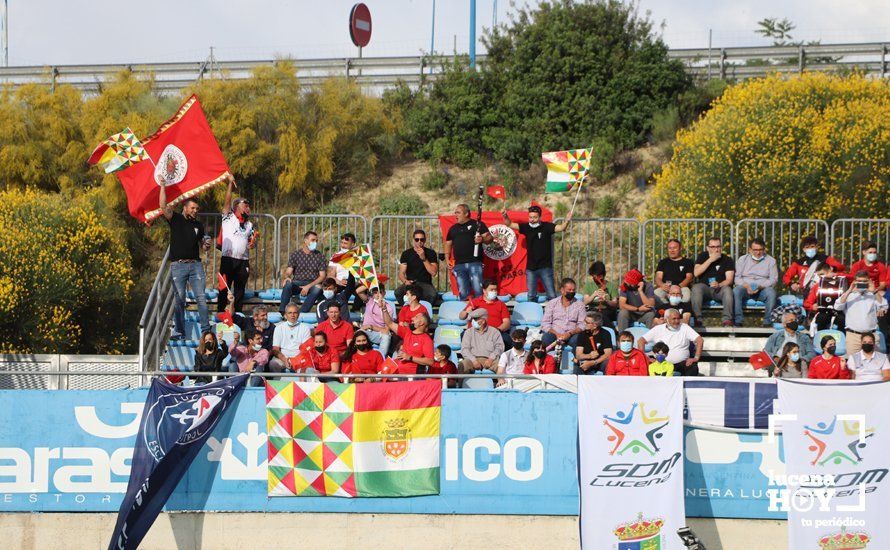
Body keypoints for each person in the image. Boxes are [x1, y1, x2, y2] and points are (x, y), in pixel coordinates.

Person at [502, 205, 571, 301]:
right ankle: (532, 313)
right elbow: (509, 224)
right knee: (531, 295)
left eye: (535, 217)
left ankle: (555, 314)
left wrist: (567, 220)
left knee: (551, 295)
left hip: (545, 267)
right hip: (531, 268)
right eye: (530, 217)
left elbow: (561, 228)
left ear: (540, 217)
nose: (532, 219)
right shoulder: (526, 227)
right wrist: (505, 216)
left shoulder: (547, 226)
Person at [217, 176, 256, 313]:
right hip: (228, 259)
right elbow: (227, 202)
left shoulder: (250, 224)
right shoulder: (229, 217)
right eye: (245, 205)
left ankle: (237, 314)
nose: (248, 208)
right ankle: (221, 313)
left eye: (248, 205)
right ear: (237, 207)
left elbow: (252, 242)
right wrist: (229, 184)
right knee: (224, 288)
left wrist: (252, 245)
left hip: (243, 261)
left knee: (240, 290)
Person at [444, 203, 493, 300]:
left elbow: (490, 238)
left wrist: (482, 240)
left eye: (458, 212)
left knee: (478, 290)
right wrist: (447, 259)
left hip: (474, 263)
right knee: (463, 292)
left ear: (466, 213)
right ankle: (466, 313)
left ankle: (479, 313)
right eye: (455, 213)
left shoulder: (478, 225)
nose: (456, 215)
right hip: (459, 265)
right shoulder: (453, 229)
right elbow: (448, 244)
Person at [378, 293, 434, 374]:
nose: (412, 318)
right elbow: (390, 323)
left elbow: (430, 361)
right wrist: (384, 309)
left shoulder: (426, 339)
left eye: (416, 317)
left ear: (421, 323)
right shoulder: (407, 332)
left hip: (412, 377)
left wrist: (410, 358)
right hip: (396, 372)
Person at [834, 271, 888, 356]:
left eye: (864, 281)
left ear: (869, 281)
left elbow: (884, 305)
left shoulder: (873, 295)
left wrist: (874, 291)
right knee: (853, 365)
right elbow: (837, 306)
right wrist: (850, 290)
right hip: (853, 336)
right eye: (859, 281)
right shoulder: (849, 295)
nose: (862, 283)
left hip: (871, 335)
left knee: (873, 364)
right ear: (854, 281)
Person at [637, 309, 703, 376]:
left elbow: (700, 340)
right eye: (674, 319)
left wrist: (696, 358)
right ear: (666, 320)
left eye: (678, 318)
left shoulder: (685, 327)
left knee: (693, 367)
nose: (677, 321)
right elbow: (641, 341)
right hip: (660, 363)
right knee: (646, 366)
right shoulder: (658, 329)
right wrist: (646, 358)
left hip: (681, 364)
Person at [733, 238, 778, 327]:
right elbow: (737, 278)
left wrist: (761, 287)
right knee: (736, 291)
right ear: (750, 250)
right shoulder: (742, 259)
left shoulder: (771, 261)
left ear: (764, 249)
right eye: (755, 250)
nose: (758, 253)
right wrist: (746, 286)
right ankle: (738, 321)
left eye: (760, 250)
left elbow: (773, 279)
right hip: (745, 288)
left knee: (771, 293)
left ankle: (767, 322)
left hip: (762, 289)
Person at [691, 237, 735, 327]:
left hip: (720, 289)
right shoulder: (702, 256)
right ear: (708, 248)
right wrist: (710, 260)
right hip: (705, 288)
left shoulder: (727, 259)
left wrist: (719, 284)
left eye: (718, 246)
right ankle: (697, 319)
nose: (716, 249)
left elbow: (729, 280)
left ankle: (727, 320)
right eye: (713, 247)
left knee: (728, 290)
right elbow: (696, 273)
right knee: (696, 288)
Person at [280, 231, 326, 315]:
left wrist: (308, 286)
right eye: (313, 240)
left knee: (318, 288)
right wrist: (287, 277)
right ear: (305, 240)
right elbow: (288, 271)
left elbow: (322, 276)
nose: (315, 243)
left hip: (312, 283)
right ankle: (283, 312)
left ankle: (301, 313)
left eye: (316, 241)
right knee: (287, 284)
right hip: (297, 282)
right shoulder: (295, 254)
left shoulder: (320, 256)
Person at [459, 279, 512, 348]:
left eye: (495, 290)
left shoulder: (501, 304)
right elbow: (461, 316)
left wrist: (497, 330)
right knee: (464, 335)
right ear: (484, 291)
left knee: (506, 339)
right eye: (491, 290)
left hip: (494, 333)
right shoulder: (475, 302)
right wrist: (466, 312)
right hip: (476, 332)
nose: (494, 292)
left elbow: (506, 323)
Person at [394, 229, 440, 306]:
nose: (419, 241)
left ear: (425, 240)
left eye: (422, 239)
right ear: (413, 240)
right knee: (398, 293)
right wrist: (406, 281)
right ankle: (407, 310)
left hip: (425, 283)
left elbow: (433, 272)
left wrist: (424, 259)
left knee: (432, 295)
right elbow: (401, 273)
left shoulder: (431, 253)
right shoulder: (406, 254)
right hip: (411, 283)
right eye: (417, 239)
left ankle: (424, 312)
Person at [541, 278, 586, 353]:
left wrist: (570, 333)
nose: (572, 292)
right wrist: (557, 334)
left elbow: (582, 324)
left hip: (572, 335)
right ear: (562, 290)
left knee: (579, 339)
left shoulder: (580, 305)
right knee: (546, 338)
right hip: (555, 334)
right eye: (569, 290)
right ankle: (547, 362)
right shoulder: (552, 303)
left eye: (573, 290)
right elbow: (545, 323)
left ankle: (577, 363)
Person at [803, 261, 847, 332]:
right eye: (819, 275)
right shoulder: (817, 286)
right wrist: (812, 306)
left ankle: (841, 339)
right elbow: (806, 303)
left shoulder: (841, 282)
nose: (821, 277)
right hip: (824, 311)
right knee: (821, 318)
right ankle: (822, 338)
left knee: (842, 320)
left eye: (822, 274)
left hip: (839, 312)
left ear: (829, 271)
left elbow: (852, 276)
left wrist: (835, 274)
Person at [269, 304, 313, 373]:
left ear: (298, 314)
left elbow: (305, 350)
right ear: (285, 315)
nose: (292, 315)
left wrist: (294, 360)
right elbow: (275, 349)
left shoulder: (305, 328)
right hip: (283, 358)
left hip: (299, 358)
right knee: (273, 364)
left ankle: (300, 383)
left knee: (307, 368)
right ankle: (277, 382)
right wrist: (284, 359)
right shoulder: (279, 328)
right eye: (290, 313)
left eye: (295, 313)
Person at [459, 308, 505, 373]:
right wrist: (474, 361)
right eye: (472, 319)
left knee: (501, 366)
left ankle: (501, 382)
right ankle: (461, 383)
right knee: (463, 365)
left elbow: (499, 347)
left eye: (475, 319)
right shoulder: (468, 332)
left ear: (483, 321)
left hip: (490, 360)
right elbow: (465, 349)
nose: (473, 321)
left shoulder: (494, 332)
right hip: (472, 360)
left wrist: (491, 359)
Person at [328, 232, 368, 307]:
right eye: (342, 243)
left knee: (358, 285)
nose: (343, 245)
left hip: (355, 283)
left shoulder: (359, 257)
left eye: (345, 243)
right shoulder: (336, 257)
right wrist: (339, 282)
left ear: (353, 244)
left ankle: (352, 308)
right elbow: (330, 275)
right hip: (340, 283)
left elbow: (364, 274)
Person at [654, 239, 694, 304]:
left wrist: (678, 287)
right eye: (670, 248)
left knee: (687, 297)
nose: (672, 250)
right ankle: (668, 308)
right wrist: (662, 285)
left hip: (682, 288)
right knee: (656, 294)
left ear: (680, 248)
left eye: (675, 248)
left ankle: (680, 311)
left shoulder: (688, 262)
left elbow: (689, 278)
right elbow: (658, 277)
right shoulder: (663, 262)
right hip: (666, 288)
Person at [361, 285, 394, 356]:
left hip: (378, 334)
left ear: (384, 293)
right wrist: (371, 283)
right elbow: (358, 291)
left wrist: (370, 326)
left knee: (387, 336)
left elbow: (386, 330)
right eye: (375, 292)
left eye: (380, 292)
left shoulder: (389, 308)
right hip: (365, 331)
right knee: (356, 334)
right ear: (372, 294)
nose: (378, 295)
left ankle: (380, 358)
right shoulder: (369, 301)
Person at [583, 261, 619, 326]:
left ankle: (610, 332)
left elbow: (615, 304)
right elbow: (585, 302)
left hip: (607, 310)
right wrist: (594, 295)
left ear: (603, 275)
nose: (597, 278)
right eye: (594, 277)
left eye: (599, 276)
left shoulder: (611, 286)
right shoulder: (589, 285)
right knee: (595, 315)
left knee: (601, 315)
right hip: (593, 310)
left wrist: (606, 300)